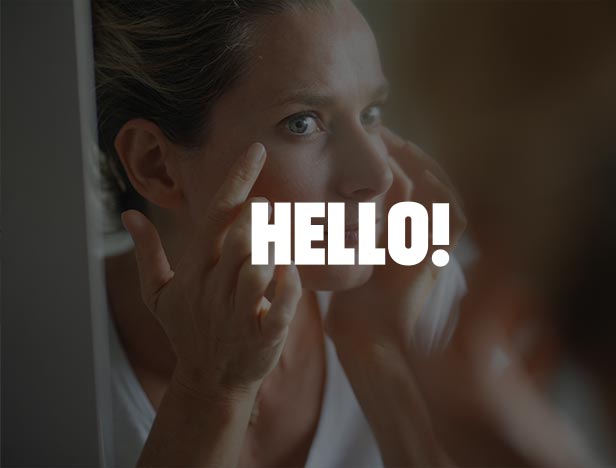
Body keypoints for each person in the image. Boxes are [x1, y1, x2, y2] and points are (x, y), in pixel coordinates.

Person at [94, 1, 477, 466]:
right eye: (303, 123)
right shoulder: (33, 367)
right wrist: (209, 392)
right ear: (156, 164)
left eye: (372, 113)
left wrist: (379, 351)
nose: (379, 175)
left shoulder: (414, 291)